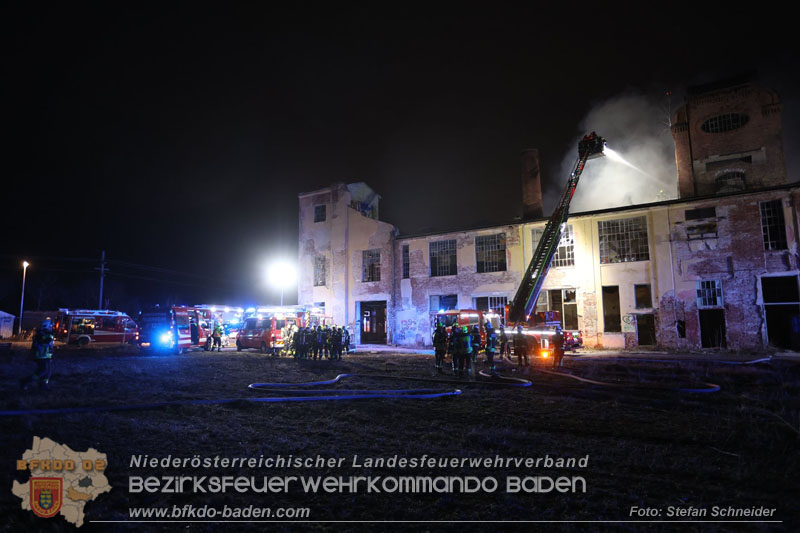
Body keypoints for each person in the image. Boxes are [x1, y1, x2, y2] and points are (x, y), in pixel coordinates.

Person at [21, 318, 55, 391]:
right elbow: (45, 342)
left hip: (47, 356)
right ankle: (25, 381)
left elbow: (49, 345)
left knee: (48, 371)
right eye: (50, 326)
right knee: (43, 371)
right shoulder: (41, 334)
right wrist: (50, 335)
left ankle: (44, 385)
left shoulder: (46, 333)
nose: (51, 327)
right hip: (40, 356)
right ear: (47, 326)